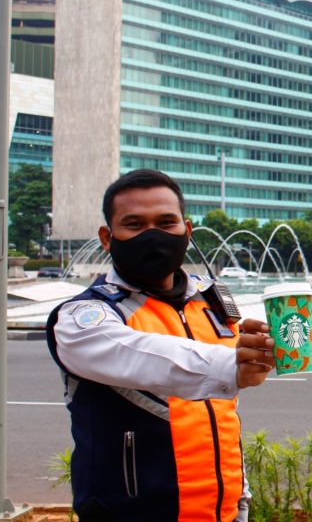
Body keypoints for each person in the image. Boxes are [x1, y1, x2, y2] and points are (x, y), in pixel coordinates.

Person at [47, 169, 275, 521]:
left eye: (166, 223)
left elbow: (220, 415)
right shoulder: (83, 318)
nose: (153, 236)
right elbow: (144, 356)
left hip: (222, 512)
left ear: (187, 230)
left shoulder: (210, 302)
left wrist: (240, 500)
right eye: (135, 225)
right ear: (107, 238)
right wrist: (232, 365)